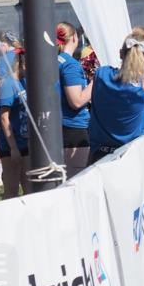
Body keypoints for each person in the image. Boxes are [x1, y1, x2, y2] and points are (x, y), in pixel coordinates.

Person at [88, 32, 144, 165]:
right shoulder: (142, 87)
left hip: (98, 158)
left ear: (120, 53)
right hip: (128, 161)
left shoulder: (101, 74)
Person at [55, 22, 93, 176]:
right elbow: (76, 101)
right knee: (75, 179)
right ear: (75, 38)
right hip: (73, 128)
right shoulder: (70, 65)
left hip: (56, 126)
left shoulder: (52, 61)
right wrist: (95, 82)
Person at [0, 50, 30, 199]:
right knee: (11, 192)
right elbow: (4, 118)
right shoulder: (8, 85)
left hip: (26, 144)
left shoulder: (23, 82)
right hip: (11, 147)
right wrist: (13, 148)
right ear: (22, 64)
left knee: (31, 191)